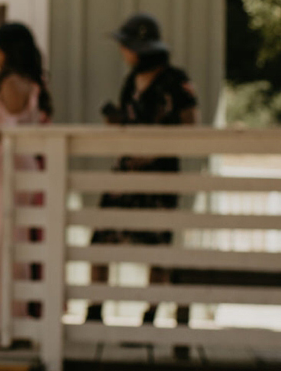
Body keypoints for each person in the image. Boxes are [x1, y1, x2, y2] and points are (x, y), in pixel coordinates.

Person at [85, 19, 199, 325]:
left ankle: (151, 312)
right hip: (124, 174)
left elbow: (190, 127)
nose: (122, 51)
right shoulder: (131, 80)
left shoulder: (176, 81)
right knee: (101, 241)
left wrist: (152, 152)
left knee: (157, 246)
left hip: (159, 176)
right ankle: (95, 309)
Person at [0, 19, 50, 342]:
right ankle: (24, 316)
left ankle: (6, 320)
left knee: (5, 239)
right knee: (26, 238)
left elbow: (6, 128)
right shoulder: (37, 82)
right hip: (32, 165)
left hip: (9, 166)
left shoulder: (9, 83)